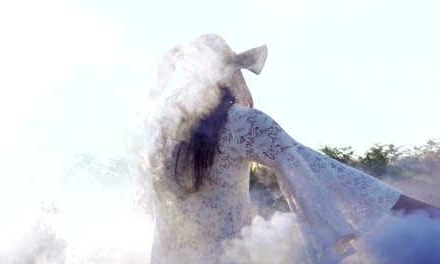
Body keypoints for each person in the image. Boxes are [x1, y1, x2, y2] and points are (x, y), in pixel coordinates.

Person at [127, 33, 439, 264]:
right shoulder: (244, 124)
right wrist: (412, 209)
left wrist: (159, 82)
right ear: (231, 74)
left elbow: (137, 124)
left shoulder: (158, 133)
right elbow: (318, 170)